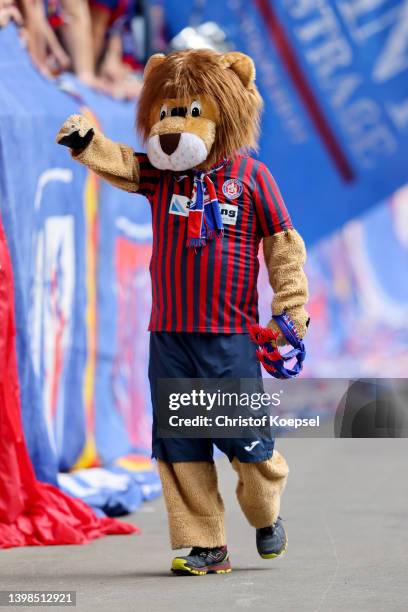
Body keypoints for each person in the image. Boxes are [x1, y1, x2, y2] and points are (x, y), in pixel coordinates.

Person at [56, 49, 309, 576]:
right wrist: (89, 145)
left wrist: (292, 311)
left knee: (247, 443)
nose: (174, 127)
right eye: (167, 112)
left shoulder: (252, 176)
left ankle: (265, 515)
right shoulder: (160, 173)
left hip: (229, 338)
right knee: (179, 442)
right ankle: (204, 544)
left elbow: (283, 247)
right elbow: (125, 163)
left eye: (190, 113)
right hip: (169, 335)